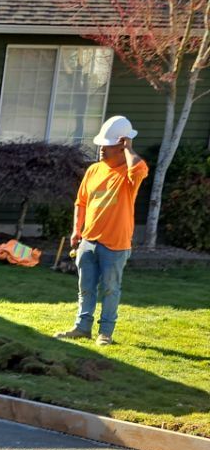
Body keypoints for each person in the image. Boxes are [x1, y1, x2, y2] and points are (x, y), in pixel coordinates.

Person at [55, 115, 149, 346]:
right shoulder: (94, 170)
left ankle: (105, 333)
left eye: (107, 146)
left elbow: (139, 168)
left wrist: (129, 148)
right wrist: (76, 230)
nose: (101, 149)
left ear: (121, 146)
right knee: (85, 288)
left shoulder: (129, 174)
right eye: (101, 145)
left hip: (115, 244)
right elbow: (81, 202)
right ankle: (82, 328)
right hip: (88, 241)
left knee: (110, 289)